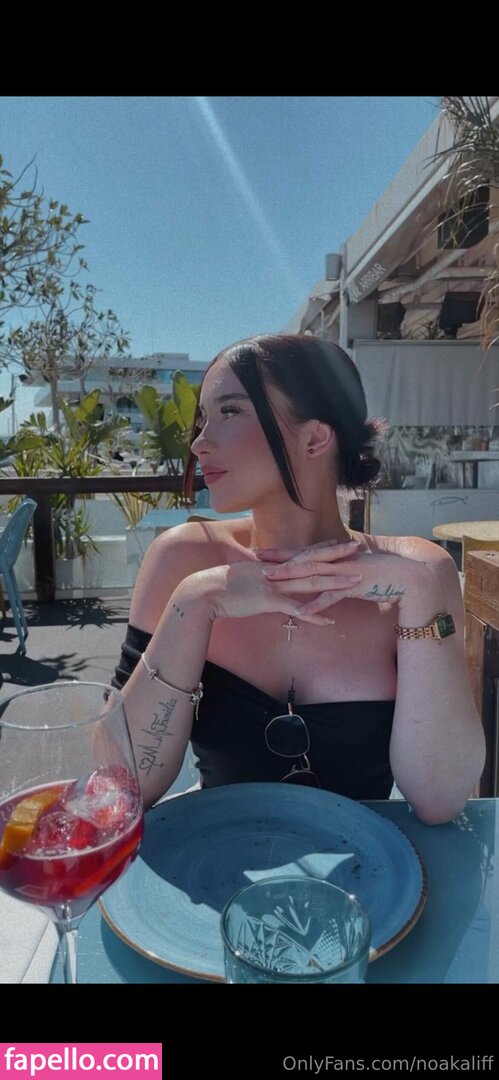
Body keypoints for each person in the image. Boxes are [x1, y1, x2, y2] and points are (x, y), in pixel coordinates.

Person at [113, 334, 485, 822]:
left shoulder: (418, 572)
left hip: (374, 862)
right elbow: (122, 786)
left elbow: (440, 800)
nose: (200, 442)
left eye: (230, 411)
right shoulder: (183, 560)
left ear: (314, 438)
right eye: (203, 419)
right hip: (213, 857)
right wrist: (196, 601)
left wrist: (419, 593)